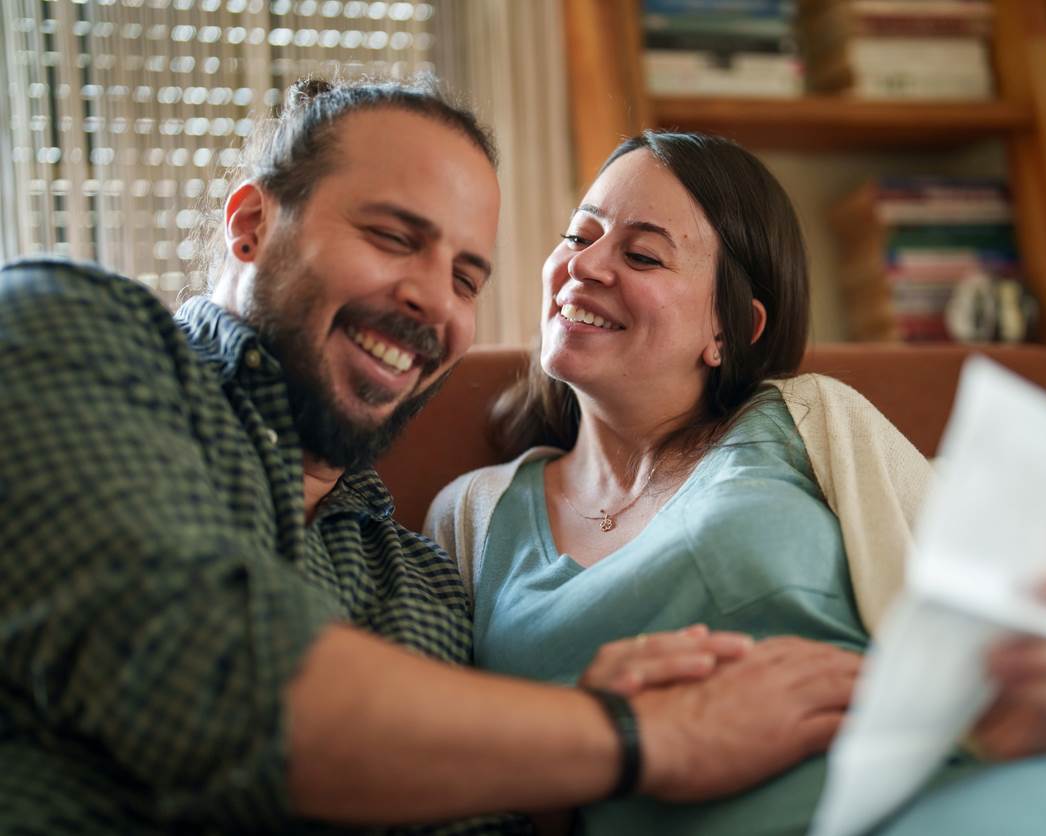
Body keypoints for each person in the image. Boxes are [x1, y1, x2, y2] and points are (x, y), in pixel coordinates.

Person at [0, 80, 868, 835]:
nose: (432, 300)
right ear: (253, 224)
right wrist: (632, 736)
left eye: (466, 278)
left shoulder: (416, 584)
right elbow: (209, 677)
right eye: (392, 237)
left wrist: (563, 781)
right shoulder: (71, 332)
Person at [426, 130, 1046, 835]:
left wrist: (1024, 688)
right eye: (578, 236)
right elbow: (445, 786)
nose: (586, 266)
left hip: (954, 793)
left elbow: (975, 646)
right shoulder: (471, 514)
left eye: (641, 253)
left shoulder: (811, 423)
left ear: (729, 328)